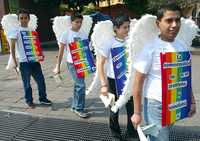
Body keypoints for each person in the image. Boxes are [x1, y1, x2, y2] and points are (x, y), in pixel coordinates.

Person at [131, 2, 196, 141]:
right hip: (157, 106)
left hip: (175, 103)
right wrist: (136, 113)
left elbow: (185, 76)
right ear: (158, 23)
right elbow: (137, 82)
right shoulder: (150, 48)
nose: (174, 25)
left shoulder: (182, 46)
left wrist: (191, 101)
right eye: (169, 20)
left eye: (177, 20)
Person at [97, 15, 139, 141]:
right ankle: (116, 134)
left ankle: (131, 133)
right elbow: (100, 63)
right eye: (124, 27)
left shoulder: (131, 41)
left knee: (131, 108)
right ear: (116, 28)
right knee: (114, 109)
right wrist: (104, 84)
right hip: (113, 81)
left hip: (128, 81)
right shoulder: (108, 42)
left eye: (128, 27)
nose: (127, 30)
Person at [8, 9, 52, 108]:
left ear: (29, 19)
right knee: (27, 83)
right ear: (18, 19)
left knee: (41, 81)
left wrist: (40, 54)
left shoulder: (32, 30)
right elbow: (12, 48)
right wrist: (14, 62)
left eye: (25, 18)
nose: (23, 20)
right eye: (21, 18)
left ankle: (43, 98)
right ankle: (29, 100)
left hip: (35, 61)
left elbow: (36, 45)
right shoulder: (15, 31)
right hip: (24, 63)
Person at [53, 13, 89, 118]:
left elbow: (85, 49)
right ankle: (79, 108)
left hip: (81, 62)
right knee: (81, 85)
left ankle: (75, 106)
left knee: (78, 85)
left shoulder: (83, 34)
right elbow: (60, 52)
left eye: (80, 22)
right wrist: (57, 66)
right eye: (76, 22)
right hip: (72, 64)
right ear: (71, 22)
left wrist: (90, 63)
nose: (79, 24)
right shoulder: (66, 34)